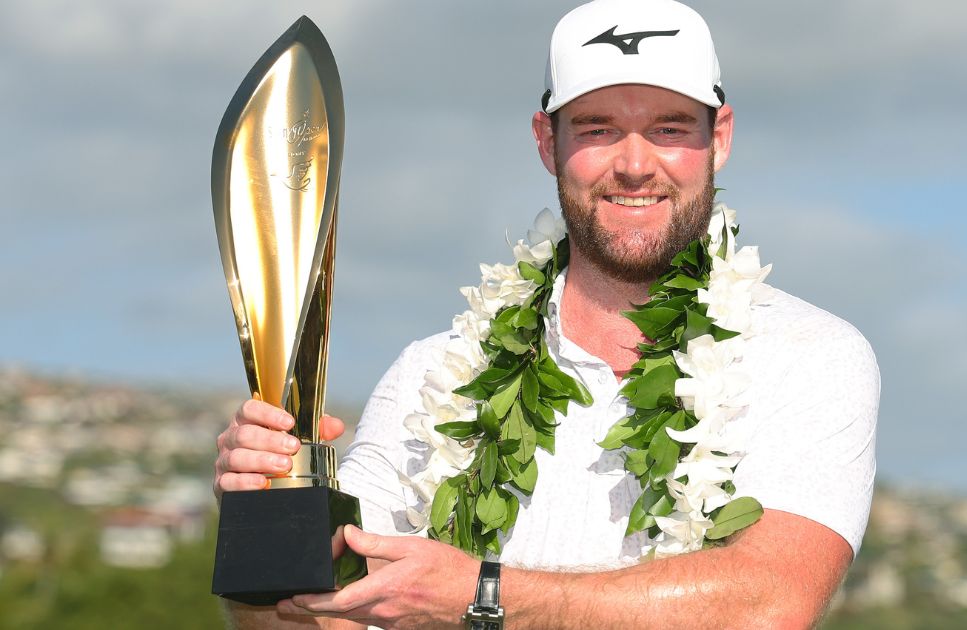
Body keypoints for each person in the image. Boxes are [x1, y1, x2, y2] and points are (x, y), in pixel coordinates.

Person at [214, 1, 879, 628]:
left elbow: (768, 606)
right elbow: (320, 621)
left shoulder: (808, 354)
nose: (635, 165)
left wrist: (481, 595)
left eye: (670, 129)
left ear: (720, 137)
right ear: (546, 141)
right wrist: (268, 518)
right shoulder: (432, 374)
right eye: (598, 130)